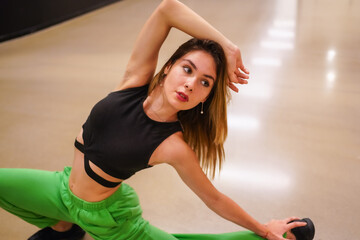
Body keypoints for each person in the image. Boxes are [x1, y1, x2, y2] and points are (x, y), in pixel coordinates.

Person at [0, 0, 308, 239]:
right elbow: (167, 9)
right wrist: (227, 47)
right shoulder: (135, 80)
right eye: (187, 69)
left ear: (205, 99)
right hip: (63, 191)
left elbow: (213, 198)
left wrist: (263, 228)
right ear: (169, 67)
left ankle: (273, 236)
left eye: (205, 82)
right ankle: (64, 226)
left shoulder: (173, 146)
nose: (191, 83)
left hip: (108, 218)